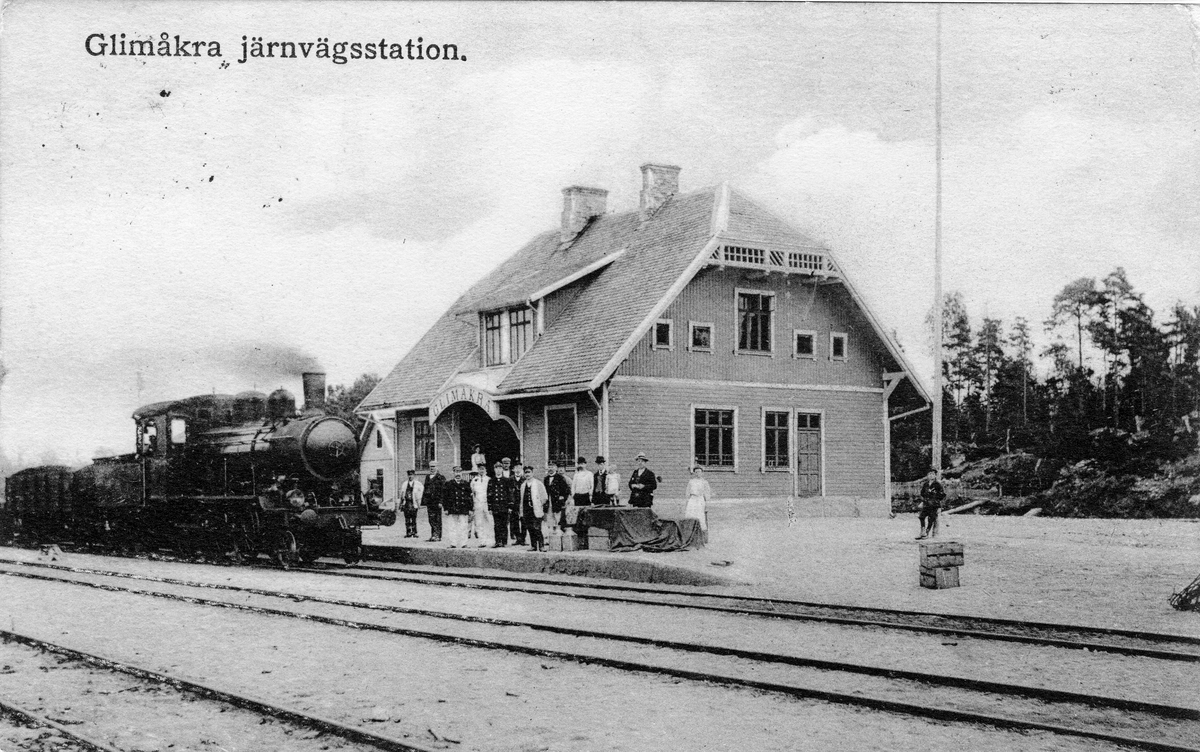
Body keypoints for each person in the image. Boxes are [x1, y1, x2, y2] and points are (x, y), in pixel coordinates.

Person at [519, 465, 548, 552]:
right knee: (530, 528)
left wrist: (539, 505)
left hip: (536, 509)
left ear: (532, 473)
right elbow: (521, 499)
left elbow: (544, 497)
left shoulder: (538, 483)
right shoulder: (523, 485)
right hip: (526, 510)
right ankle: (533, 546)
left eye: (529, 472)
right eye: (526, 472)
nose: (527, 474)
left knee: (537, 528)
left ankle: (541, 546)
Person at [444, 466, 474, 548]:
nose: (458, 474)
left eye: (459, 472)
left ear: (462, 473)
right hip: (452, 508)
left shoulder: (466, 484)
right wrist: (446, 508)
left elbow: (470, 497)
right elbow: (445, 497)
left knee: (463, 527)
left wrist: (470, 509)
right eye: (456, 472)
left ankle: (464, 543)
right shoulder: (448, 484)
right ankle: (453, 543)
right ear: (453, 473)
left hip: (463, 508)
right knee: (452, 526)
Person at [683, 465, 713, 543]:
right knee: (690, 515)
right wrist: (687, 502)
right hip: (692, 499)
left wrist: (706, 504)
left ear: (702, 473)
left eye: (699, 472)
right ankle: (689, 536)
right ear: (694, 473)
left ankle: (702, 537)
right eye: (696, 472)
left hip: (700, 499)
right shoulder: (691, 481)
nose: (697, 473)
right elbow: (687, 492)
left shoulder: (704, 482)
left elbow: (707, 494)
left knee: (700, 517)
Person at [488, 460, 514, 547]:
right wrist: (490, 507)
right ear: (494, 469)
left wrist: (510, 506)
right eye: (496, 468)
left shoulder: (506, 480)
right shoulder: (491, 481)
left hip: (504, 506)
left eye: (500, 468)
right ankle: (497, 541)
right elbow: (489, 495)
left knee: (504, 524)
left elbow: (510, 493)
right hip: (495, 506)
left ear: (502, 469)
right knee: (497, 524)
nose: (498, 470)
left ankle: (504, 541)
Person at [916, 468, 946, 540]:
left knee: (931, 519)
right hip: (926, 503)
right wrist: (924, 499)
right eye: (929, 474)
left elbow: (942, 494)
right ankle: (922, 531)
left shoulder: (937, 484)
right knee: (921, 517)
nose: (931, 476)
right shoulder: (926, 484)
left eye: (932, 474)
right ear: (927, 475)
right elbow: (922, 493)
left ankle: (927, 532)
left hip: (934, 505)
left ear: (935, 475)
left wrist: (935, 499)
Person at [501, 457, 525, 545]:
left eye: (519, 468)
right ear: (513, 469)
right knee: (514, 521)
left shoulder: (524, 479)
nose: (518, 470)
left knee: (524, 521)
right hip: (513, 503)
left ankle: (523, 539)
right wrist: (510, 503)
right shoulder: (510, 479)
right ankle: (518, 538)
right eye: (516, 468)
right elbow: (508, 492)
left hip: (523, 502)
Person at [470, 464, 494, 547]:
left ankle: (490, 540)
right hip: (478, 504)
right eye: (480, 469)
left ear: (486, 470)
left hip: (487, 503)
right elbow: (472, 493)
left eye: (483, 469)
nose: (481, 471)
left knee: (489, 521)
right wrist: (474, 503)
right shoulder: (474, 480)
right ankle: (482, 541)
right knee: (479, 522)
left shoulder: (489, 479)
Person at [544, 461, 572, 531]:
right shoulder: (546, 479)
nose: (550, 468)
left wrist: (562, 497)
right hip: (548, 502)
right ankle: (550, 533)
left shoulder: (560, 478)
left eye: (552, 467)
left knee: (557, 518)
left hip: (557, 502)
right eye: (549, 467)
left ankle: (558, 533)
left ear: (556, 468)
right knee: (549, 519)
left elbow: (566, 490)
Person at [422, 461, 446, 542]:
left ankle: (438, 535)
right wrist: (424, 501)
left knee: (437, 518)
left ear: (437, 467)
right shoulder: (427, 477)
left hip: (437, 501)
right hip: (430, 501)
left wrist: (441, 502)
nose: (432, 468)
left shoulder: (441, 477)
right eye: (430, 466)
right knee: (431, 518)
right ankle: (433, 535)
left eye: (433, 466)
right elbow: (425, 489)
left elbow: (443, 491)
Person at [568, 456, 593, 529]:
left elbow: (592, 486)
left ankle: (586, 529)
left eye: (582, 464)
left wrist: (590, 495)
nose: (581, 465)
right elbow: (573, 486)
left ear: (585, 464)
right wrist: (574, 495)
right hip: (578, 496)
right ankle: (578, 530)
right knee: (578, 514)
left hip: (586, 496)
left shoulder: (589, 474)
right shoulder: (576, 475)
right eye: (579, 464)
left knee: (586, 514)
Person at [398, 470, 423, 538]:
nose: (410, 476)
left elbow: (421, 493)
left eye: (411, 475)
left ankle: (414, 532)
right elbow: (402, 494)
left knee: (414, 519)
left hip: (413, 503)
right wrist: (400, 504)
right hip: (406, 503)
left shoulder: (418, 484)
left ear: (414, 475)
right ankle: (408, 532)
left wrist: (419, 502)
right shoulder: (405, 484)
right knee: (407, 519)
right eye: (409, 475)